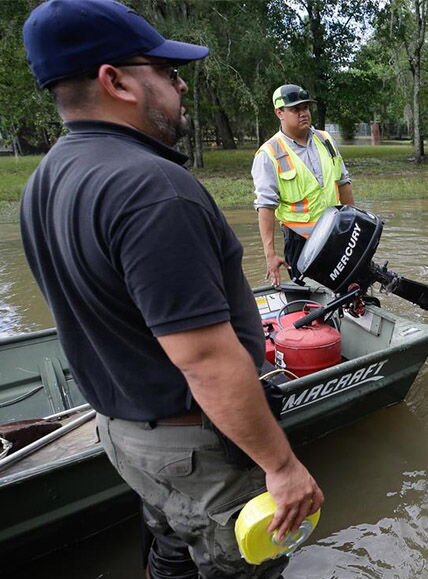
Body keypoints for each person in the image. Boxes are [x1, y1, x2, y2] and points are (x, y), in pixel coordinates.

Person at [19, 1, 324, 576]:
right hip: (193, 446)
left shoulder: (46, 179)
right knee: (244, 567)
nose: (180, 84)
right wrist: (281, 466)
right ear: (116, 81)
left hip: (122, 433)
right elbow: (206, 360)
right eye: (165, 70)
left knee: (171, 550)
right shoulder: (154, 189)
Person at [253, 84, 355, 286]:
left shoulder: (325, 140)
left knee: (350, 291)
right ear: (279, 113)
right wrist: (270, 254)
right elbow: (265, 206)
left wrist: (354, 222)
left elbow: (343, 182)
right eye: (295, 109)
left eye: (306, 108)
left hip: (337, 233)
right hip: (302, 242)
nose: (303, 114)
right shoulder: (269, 154)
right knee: (311, 301)